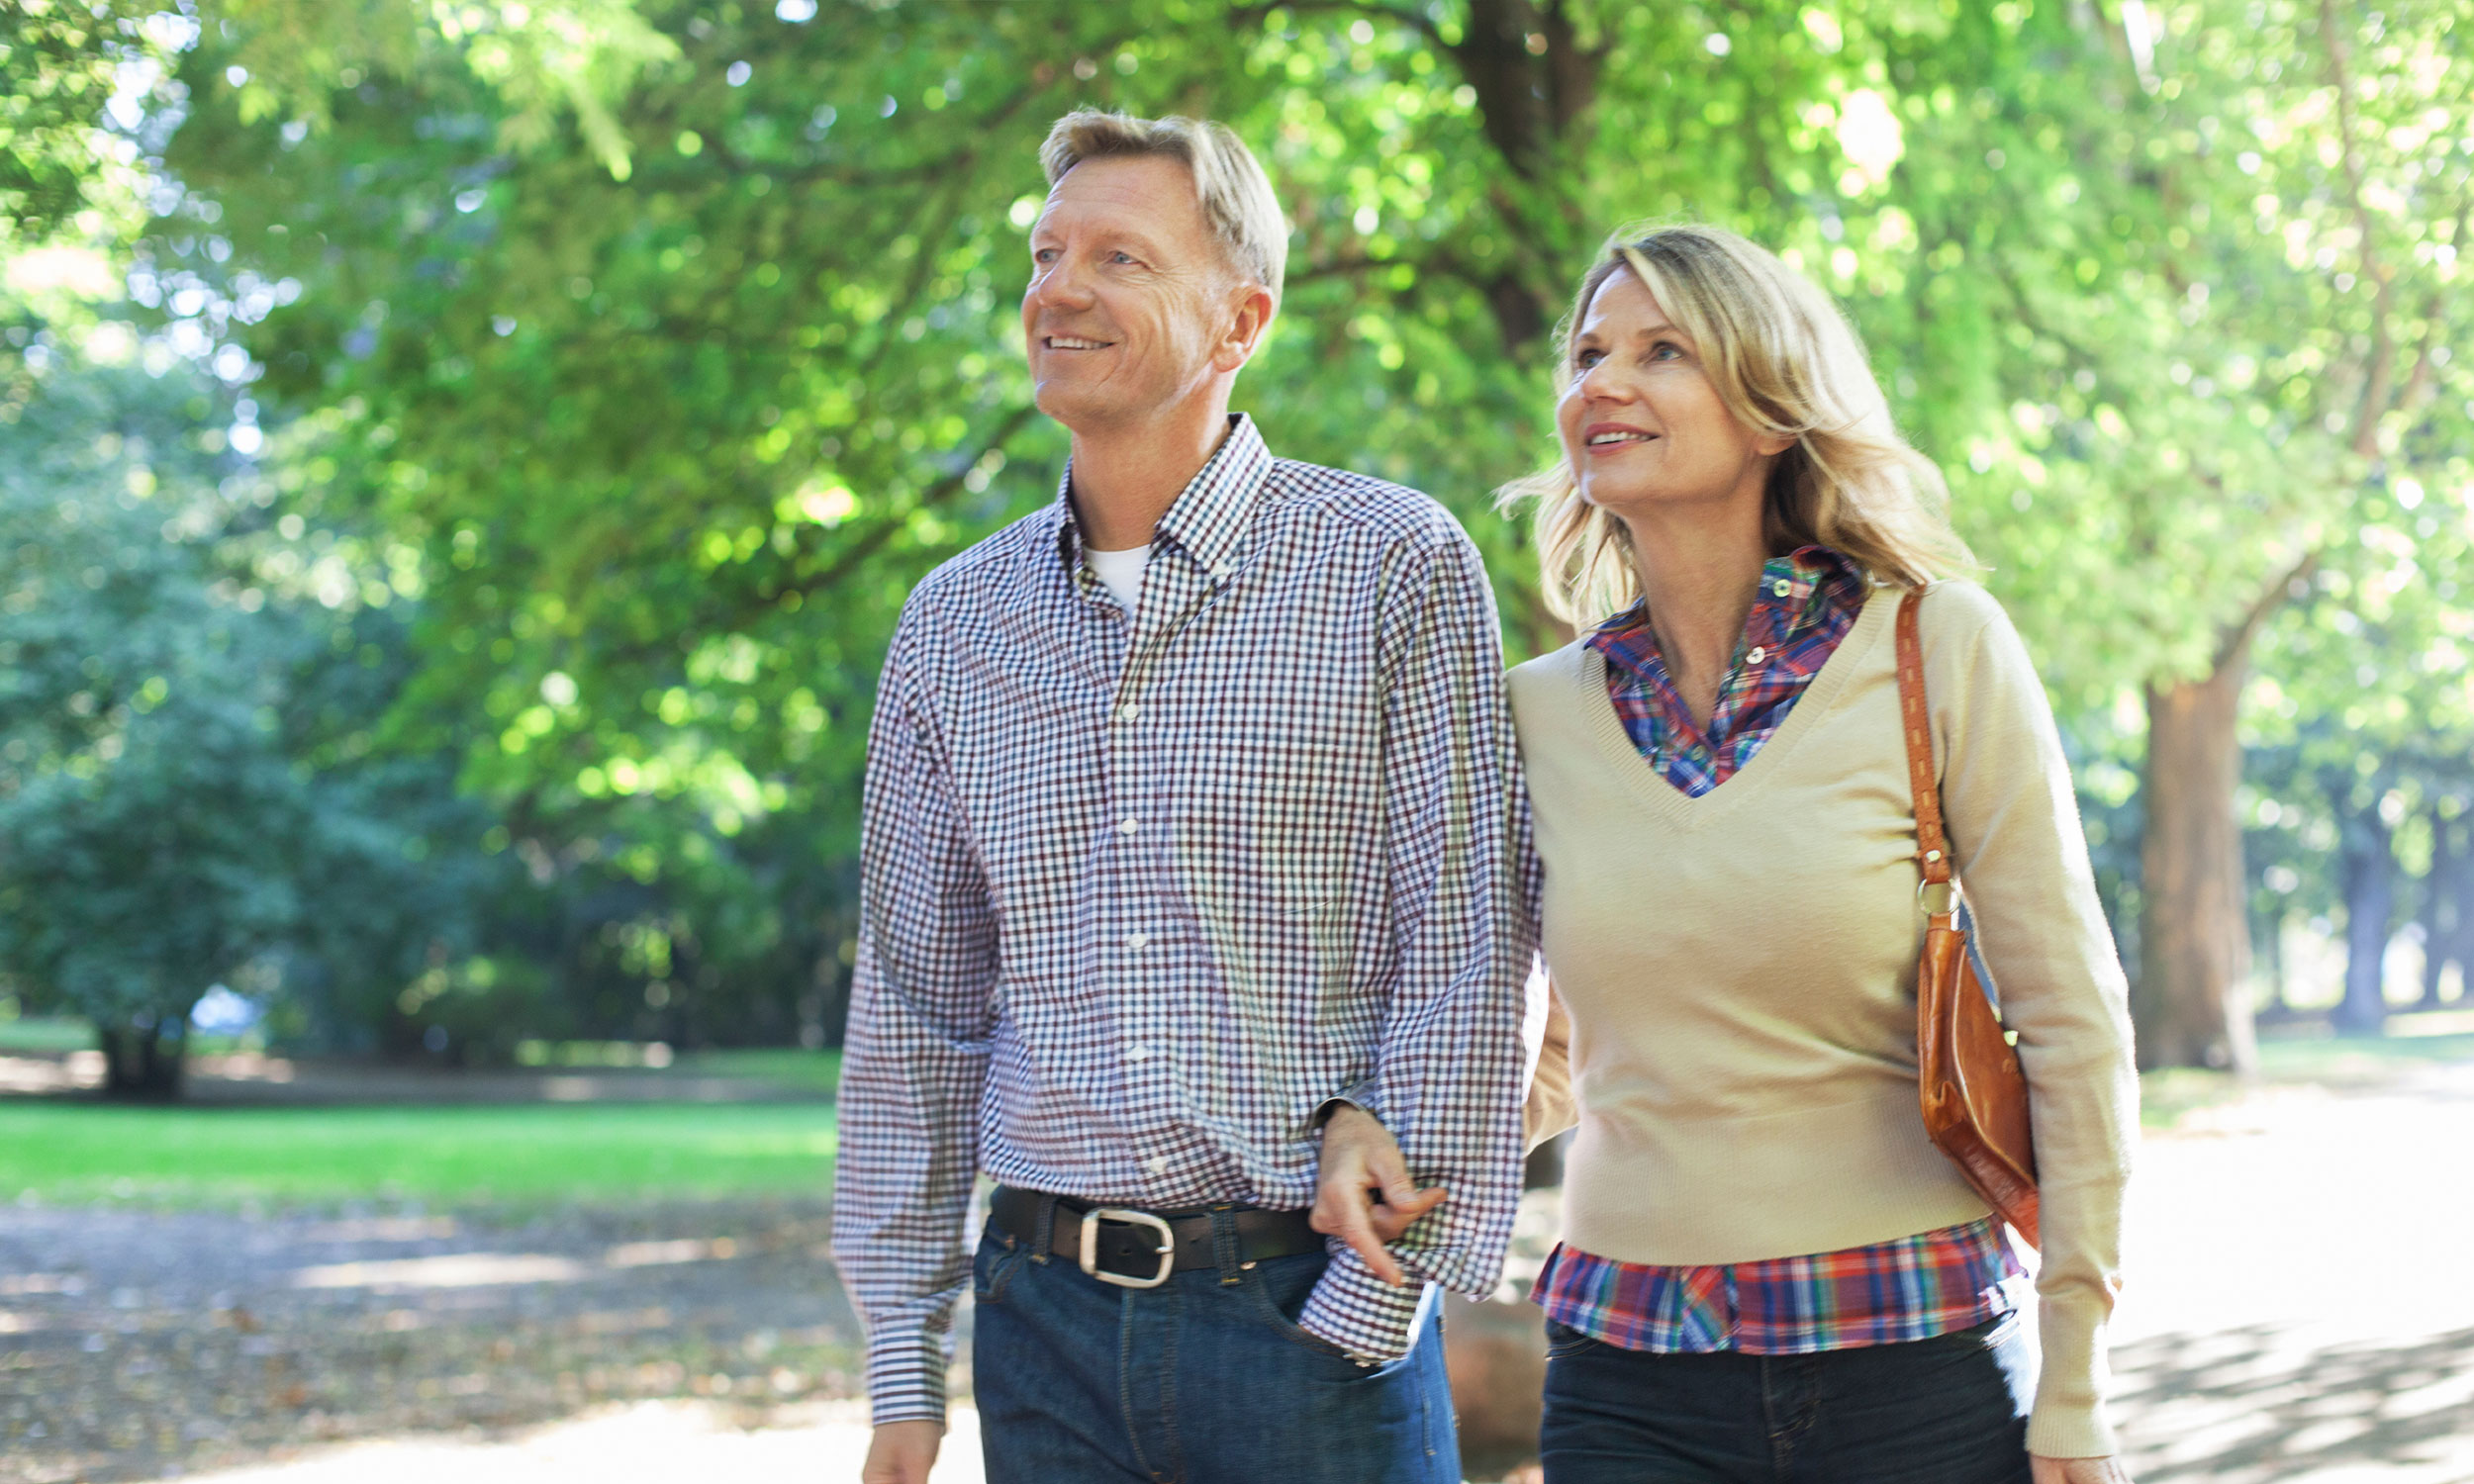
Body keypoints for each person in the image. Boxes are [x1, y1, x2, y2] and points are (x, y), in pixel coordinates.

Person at [831, 108, 1535, 1484]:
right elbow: (916, 1002)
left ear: (1241, 322)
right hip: (1042, 1326)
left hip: (1310, 1316)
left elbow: (1471, 941)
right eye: (1045, 255)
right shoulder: (950, 624)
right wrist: (904, 1367)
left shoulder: (1393, 566)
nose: (1060, 289)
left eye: (1121, 258)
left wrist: (1375, 1302)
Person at [1500, 226, 2139, 1483]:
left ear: (1768, 410)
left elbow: (2072, 1022)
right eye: (1587, 355)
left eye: (1662, 350)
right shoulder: (1530, 712)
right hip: (1626, 1374)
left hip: (1914, 1367)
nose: (1602, 384)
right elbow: (1555, 1056)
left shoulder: (1935, 649)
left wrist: (2074, 1372)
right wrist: (1356, 1141)